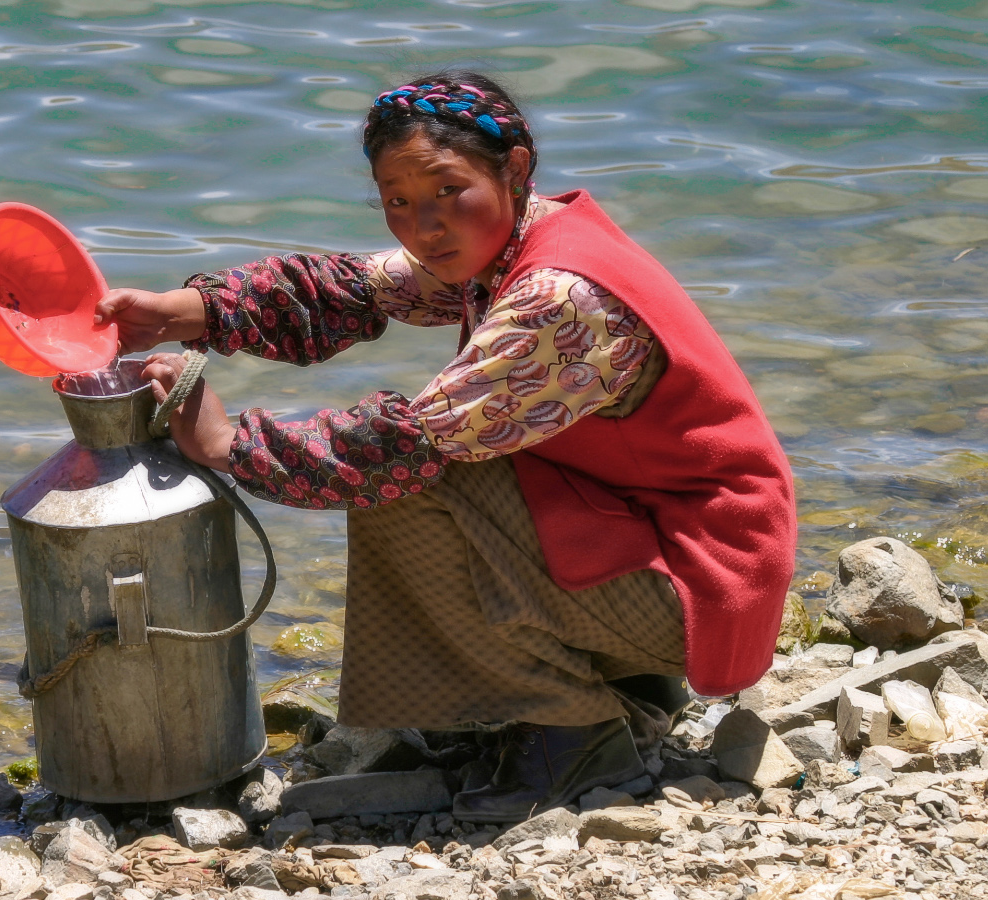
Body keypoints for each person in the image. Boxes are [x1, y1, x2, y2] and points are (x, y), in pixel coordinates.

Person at [95, 71, 796, 823]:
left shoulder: (560, 299)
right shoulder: (514, 238)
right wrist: (186, 314)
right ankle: (620, 684)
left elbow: (396, 447)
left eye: (445, 191)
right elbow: (353, 291)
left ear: (516, 169)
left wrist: (230, 443)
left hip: (703, 581)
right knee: (441, 458)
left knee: (413, 479)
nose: (424, 227)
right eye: (398, 202)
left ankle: (575, 735)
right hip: (670, 542)